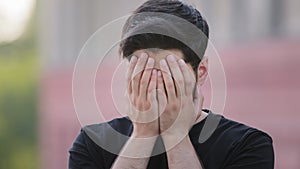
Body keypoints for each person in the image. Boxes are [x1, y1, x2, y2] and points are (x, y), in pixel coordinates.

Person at [69, 0, 274, 168]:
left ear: (200, 71)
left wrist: (176, 134)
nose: (154, 82)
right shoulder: (91, 143)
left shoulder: (247, 146)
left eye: (168, 70)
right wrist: (143, 133)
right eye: (144, 69)